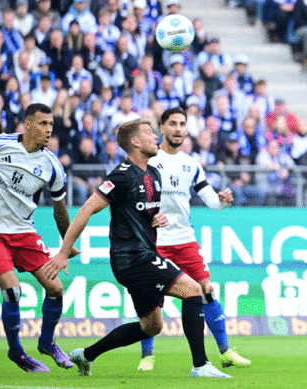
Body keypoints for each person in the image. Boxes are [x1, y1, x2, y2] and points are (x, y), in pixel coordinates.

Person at [42, 118, 231, 378]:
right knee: (193, 291)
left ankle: (85, 355)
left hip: (144, 255)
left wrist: (158, 218)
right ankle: (200, 365)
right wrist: (64, 251)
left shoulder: (152, 174)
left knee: (151, 327)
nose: (155, 137)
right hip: (131, 258)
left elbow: (145, 212)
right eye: (149, 133)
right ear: (135, 142)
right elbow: (87, 209)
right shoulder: (121, 175)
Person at [0, 103, 78, 372]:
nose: (48, 130)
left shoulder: (52, 166)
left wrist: (67, 244)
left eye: (51, 125)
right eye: (42, 124)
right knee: (13, 291)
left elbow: (60, 210)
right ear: (27, 124)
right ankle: (16, 352)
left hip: (24, 233)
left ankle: (47, 343)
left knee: (56, 289)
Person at [136, 107, 251, 371]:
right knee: (151, 299)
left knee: (206, 289)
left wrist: (223, 202)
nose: (178, 128)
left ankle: (225, 352)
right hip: (156, 241)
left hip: (185, 240)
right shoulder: (149, 161)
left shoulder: (191, 164)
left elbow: (210, 199)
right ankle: (147, 354)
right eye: (173, 123)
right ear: (162, 128)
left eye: (182, 124)